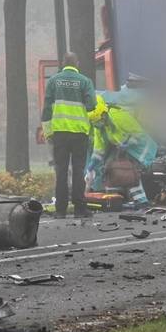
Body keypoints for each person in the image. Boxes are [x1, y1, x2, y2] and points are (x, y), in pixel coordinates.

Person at [42, 52, 97, 218]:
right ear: (77, 63)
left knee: (61, 171)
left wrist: (48, 133)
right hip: (79, 132)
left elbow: (46, 109)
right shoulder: (85, 81)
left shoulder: (53, 81)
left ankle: (60, 210)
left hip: (60, 133)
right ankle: (80, 209)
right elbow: (91, 105)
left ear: (63, 63)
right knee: (78, 170)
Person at [87, 96, 159, 208]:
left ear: (103, 114)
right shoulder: (100, 127)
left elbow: (138, 135)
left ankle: (142, 202)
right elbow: (99, 148)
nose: (97, 125)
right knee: (110, 170)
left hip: (140, 149)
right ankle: (114, 200)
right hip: (124, 150)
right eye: (94, 122)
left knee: (129, 173)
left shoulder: (119, 117)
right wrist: (92, 163)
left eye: (98, 121)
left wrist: (127, 143)